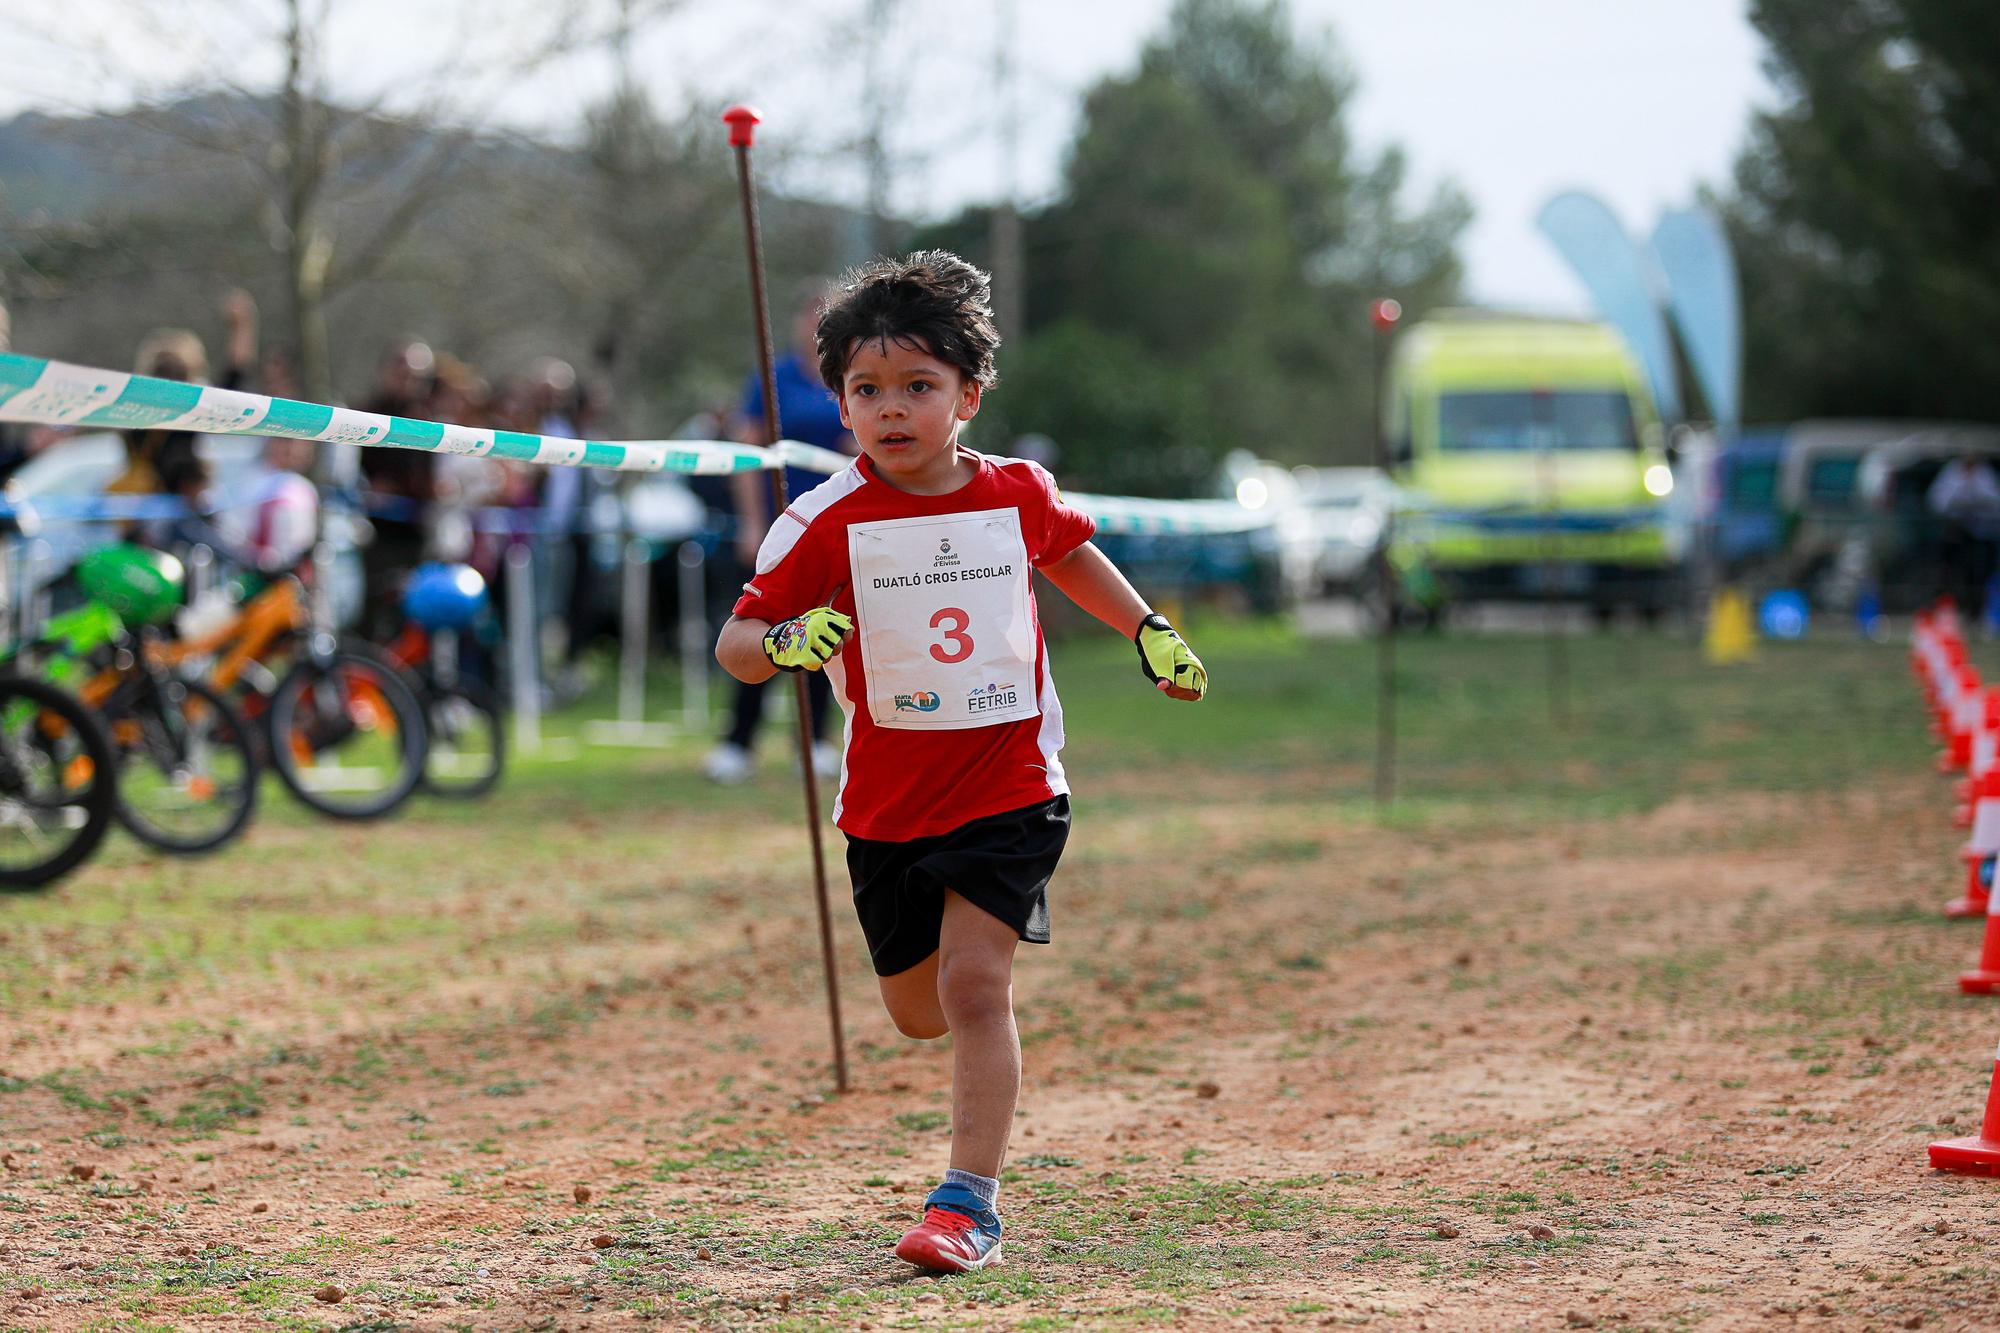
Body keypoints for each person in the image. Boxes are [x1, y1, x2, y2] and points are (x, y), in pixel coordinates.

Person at [713, 252, 1208, 1274]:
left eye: (916, 387)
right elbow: (735, 641)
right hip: (886, 806)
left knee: (977, 986)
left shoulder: (1012, 492)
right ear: (839, 401)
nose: (889, 409)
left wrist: (1146, 627)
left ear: (967, 396)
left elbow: (1068, 551)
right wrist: (783, 644)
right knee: (917, 1010)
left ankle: (965, 1201)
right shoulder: (823, 520)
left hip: (1009, 786)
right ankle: (958, 1127)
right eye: (865, 390)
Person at [704, 282, 857, 785]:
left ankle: (812, 741)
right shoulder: (772, 381)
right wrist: (753, 523)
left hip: (836, 529)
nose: (815, 325)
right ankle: (738, 743)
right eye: (809, 314)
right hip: (779, 529)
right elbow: (747, 458)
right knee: (761, 628)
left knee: (826, 633)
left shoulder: (853, 377)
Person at [1929, 453, 2000, 620]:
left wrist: (1975, 495)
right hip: (1955, 535)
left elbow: (1994, 501)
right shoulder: (1951, 472)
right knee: (1949, 575)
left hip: (1980, 535)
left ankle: (1975, 613)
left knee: (1977, 576)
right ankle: (1946, 611)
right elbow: (1937, 501)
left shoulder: (1985, 474)